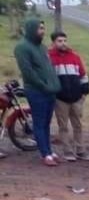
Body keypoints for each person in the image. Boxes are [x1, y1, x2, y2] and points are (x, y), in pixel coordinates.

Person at [15, 19, 61, 167]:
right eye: (40, 28)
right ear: (31, 29)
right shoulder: (22, 48)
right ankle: (45, 154)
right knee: (39, 123)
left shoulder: (42, 47)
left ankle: (49, 150)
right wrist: (43, 85)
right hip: (36, 91)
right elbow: (28, 72)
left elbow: (48, 68)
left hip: (50, 91)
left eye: (43, 28)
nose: (43, 31)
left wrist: (55, 84)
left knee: (47, 123)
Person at [48, 31, 89, 162]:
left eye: (64, 41)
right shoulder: (49, 58)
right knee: (63, 126)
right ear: (53, 43)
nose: (63, 44)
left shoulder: (74, 57)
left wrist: (84, 93)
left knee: (78, 125)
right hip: (60, 98)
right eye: (59, 41)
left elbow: (83, 75)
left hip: (76, 97)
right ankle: (67, 151)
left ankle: (80, 150)